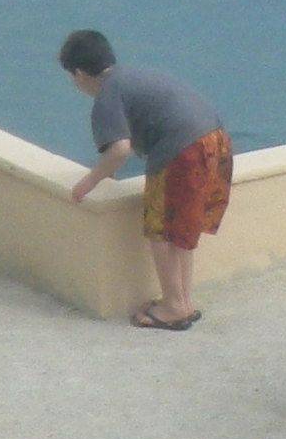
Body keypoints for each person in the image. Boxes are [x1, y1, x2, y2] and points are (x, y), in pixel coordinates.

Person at [61, 27, 228, 329]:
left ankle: (174, 306)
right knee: (181, 227)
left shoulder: (106, 95)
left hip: (182, 150)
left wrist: (89, 182)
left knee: (160, 229)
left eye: (72, 77)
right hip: (214, 140)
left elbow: (119, 149)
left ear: (80, 74)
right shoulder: (131, 77)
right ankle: (182, 301)